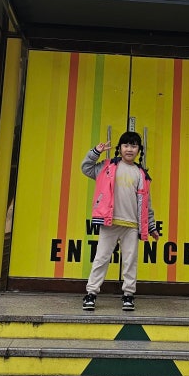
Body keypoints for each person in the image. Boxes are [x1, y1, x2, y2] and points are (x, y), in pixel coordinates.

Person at [81, 130, 158, 311]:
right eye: (126, 145)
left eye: (133, 146)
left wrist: (151, 226)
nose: (129, 149)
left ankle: (128, 295)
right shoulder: (107, 166)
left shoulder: (141, 174)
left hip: (131, 225)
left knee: (130, 261)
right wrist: (96, 152)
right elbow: (86, 168)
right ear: (120, 148)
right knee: (101, 258)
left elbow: (146, 204)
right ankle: (91, 293)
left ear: (139, 150)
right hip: (110, 223)